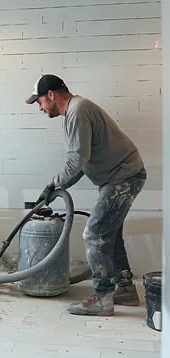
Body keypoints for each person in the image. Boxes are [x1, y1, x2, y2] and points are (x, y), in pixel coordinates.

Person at [25, 74, 147, 316]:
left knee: (94, 233)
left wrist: (52, 185)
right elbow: (82, 161)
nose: (39, 107)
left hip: (123, 178)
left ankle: (102, 298)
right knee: (110, 235)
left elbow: (77, 160)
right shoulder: (75, 111)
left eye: (38, 101)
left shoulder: (77, 111)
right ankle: (125, 289)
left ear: (51, 95)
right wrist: (58, 187)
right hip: (121, 176)